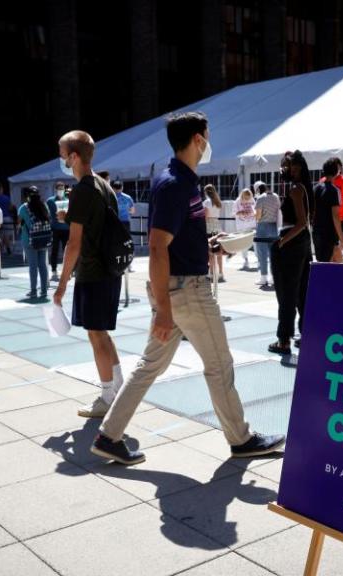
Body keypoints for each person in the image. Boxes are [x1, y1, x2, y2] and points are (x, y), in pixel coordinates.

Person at [91, 111, 285, 465]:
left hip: (179, 288)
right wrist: (164, 309)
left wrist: (209, 242)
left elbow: (173, 238)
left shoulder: (179, 179)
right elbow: (156, 246)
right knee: (219, 364)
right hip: (187, 291)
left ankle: (108, 436)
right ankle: (241, 439)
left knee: (150, 365)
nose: (209, 143)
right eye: (207, 136)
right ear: (198, 139)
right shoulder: (175, 183)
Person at [52, 130, 125, 419]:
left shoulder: (82, 189)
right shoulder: (102, 185)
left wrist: (60, 285)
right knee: (102, 332)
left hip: (93, 271)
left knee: (96, 334)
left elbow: (74, 243)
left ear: (74, 156)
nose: (60, 159)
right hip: (109, 269)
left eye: (62, 153)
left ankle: (107, 394)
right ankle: (117, 385)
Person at [269, 151, 313, 355]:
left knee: (286, 294)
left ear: (297, 169)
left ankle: (283, 340)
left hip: (292, 242)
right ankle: (305, 335)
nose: (287, 170)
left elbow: (301, 222)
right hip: (303, 243)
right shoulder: (305, 188)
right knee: (302, 292)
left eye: (290, 167)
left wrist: (282, 241)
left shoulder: (296, 189)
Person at [17, 186, 51, 300]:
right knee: (43, 265)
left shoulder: (23, 208)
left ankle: (33, 291)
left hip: (29, 240)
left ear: (27, 196)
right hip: (43, 238)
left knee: (33, 266)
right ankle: (44, 290)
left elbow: (19, 222)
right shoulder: (44, 205)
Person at [313, 157, 343, 263]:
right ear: (336, 172)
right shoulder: (333, 190)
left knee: (331, 262)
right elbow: (335, 217)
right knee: (328, 266)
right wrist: (342, 239)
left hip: (317, 232)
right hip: (329, 234)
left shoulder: (316, 188)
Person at [253, 180, 279, 287]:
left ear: (258, 190)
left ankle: (263, 277)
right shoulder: (275, 196)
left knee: (262, 254)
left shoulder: (260, 198)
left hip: (262, 227)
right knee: (273, 254)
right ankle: (273, 277)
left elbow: (258, 216)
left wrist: (254, 215)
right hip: (274, 226)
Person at [111, 179, 136, 272]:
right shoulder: (128, 198)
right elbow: (133, 211)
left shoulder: (111, 197)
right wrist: (126, 212)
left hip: (115, 223)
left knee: (116, 244)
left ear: (113, 188)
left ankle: (117, 265)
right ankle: (129, 265)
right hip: (126, 223)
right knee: (128, 244)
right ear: (122, 187)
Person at [47, 182, 70, 278]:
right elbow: (48, 213)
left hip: (66, 228)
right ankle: (53, 269)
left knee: (67, 250)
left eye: (62, 188)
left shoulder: (68, 200)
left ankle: (67, 270)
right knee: (54, 250)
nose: (61, 190)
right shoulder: (50, 200)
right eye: (59, 188)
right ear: (56, 189)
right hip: (55, 228)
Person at [202, 184, 224, 282]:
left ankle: (211, 273)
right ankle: (220, 273)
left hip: (209, 226)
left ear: (206, 192)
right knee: (218, 250)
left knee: (210, 251)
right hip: (217, 225)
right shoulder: (218, 202)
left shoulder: (206, 202)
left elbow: (205, 216)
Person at [234, 187, 257, 269]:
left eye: (249, 197)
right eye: (246, 198)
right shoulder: (237, 201)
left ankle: (258, 259)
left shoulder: (252, 199)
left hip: (252, 224)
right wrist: (241, 212)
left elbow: (255, 210)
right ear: (242, 196)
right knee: (243, 244)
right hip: (242, 225)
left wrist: (252, 213)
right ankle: (245, 260)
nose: (247, 200)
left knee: (255, 242)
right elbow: (234, 213)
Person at [0, 187, 14, 256]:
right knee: (6, 234)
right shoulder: (7, 198)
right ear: (1, 190)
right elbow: (11, 207)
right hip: (7, 217)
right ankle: (8, 249)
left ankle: (0, 250)